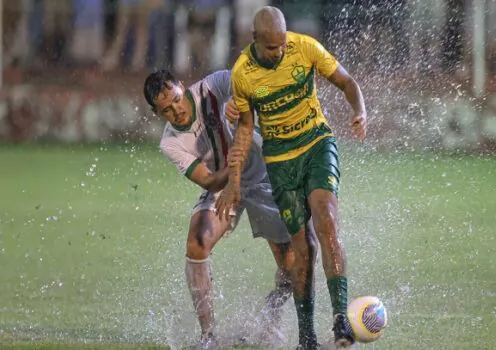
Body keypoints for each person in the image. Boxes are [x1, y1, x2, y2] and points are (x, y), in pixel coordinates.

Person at [216, 6, 367, 350]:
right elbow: (244, 129)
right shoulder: (243, 73)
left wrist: (360, 110)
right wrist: (234, 179)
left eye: (282, 44)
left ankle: (341, 318)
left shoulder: (305, 47)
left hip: (316, 143)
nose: (280, 51)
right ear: (255, 40)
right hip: (280, 160)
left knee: (327, 220)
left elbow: (346, 81)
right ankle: (307, 338)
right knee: (303, 248)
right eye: (272, 48)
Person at [143, 69, 307, 349]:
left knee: (291, 266)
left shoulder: (214, 85)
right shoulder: (170, 143)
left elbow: (259, 87)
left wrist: (244, 102)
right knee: (197, 244)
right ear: (157, 114)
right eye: (167, 110)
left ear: (183, 86)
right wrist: (231, 172)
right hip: (222, 185)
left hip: (263, 176)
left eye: (177, 100)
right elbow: (206, 179)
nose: (177, 111)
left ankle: (273, 310)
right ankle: (209, 337)